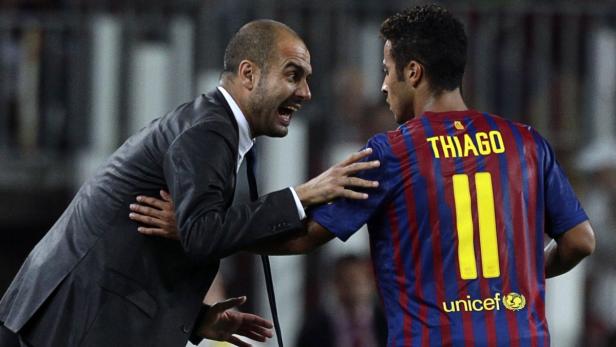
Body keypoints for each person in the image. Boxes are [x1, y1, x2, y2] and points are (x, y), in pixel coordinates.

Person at [132, 5, 597, 347]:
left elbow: (301, 238)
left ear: (413, 73)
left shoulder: (393, 152)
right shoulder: (527, 143)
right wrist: (519, 277)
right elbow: (580, 242)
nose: (382, 86)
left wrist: (203, 231)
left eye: (387, 71)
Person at [0, 19, 380, 347]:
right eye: (293, 74)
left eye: (306, 79)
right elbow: (201, 234)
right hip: (71, 321)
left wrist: (196, 319)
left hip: (72, 316)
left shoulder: (211, 125)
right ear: (248, 74)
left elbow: (179, 237)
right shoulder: (210, 131)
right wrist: (303, 194)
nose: (305, 92)